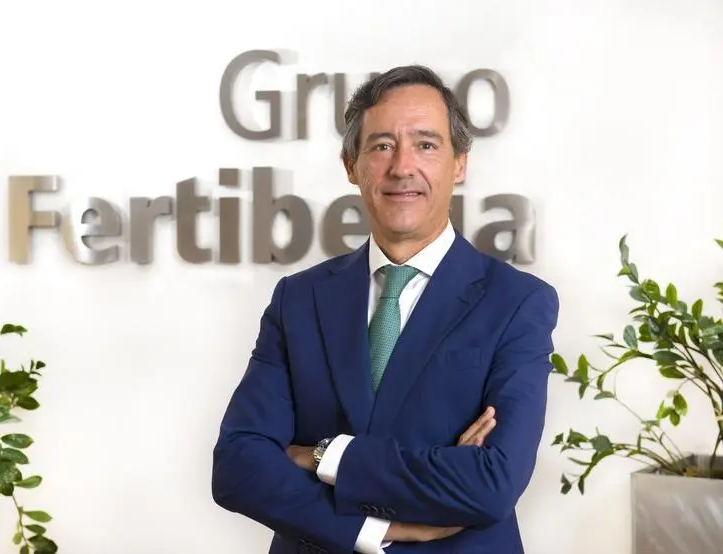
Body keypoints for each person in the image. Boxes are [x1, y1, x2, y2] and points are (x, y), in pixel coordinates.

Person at [211, 65, 560, 554]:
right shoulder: (300, 299)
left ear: (460, 163)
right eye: (381, 146)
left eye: (426, 144)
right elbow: (237, 466)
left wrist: (322, 455)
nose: (402, 166)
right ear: (351, 165)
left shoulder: (517, 302)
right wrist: (374, 529)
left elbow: (491, 484)